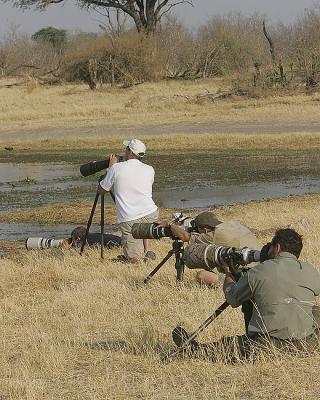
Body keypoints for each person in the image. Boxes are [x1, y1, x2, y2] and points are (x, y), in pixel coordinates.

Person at [172, 228, 320, 361]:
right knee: (314, 310)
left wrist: (229, 273)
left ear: (277, 248)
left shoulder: (260, 271)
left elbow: (232, 299)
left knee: (230, 346)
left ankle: (194, 350)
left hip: (268, 346)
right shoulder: (310, 270)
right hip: (306, 343)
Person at [158, 211, 262, 287]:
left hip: (248, 275)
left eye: (198, 229)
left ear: (205, 229)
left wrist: (170, 224)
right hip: (262, 265)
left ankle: (232, 283)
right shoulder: (233, 224)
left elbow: (186, 237)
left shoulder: (214, 235)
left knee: (201, 276)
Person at [97, 139, 159, 263]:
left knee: (133, 258)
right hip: (150, 213)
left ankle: (137, 260)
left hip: (130, 217)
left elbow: (102, 189)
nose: (125, 151)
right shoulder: (149, 169)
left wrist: (110, 167)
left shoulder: (116, 168)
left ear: (130, 152)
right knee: (144, 230)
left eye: (126, 149)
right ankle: (146, 252)